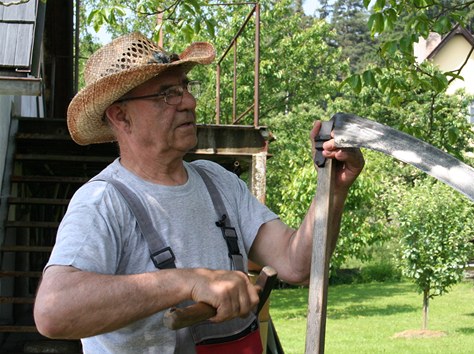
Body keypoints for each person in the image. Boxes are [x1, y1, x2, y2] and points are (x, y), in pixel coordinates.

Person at [33, 32, 364, 353]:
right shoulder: (103, 202)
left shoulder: (217, 182)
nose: (188, 102)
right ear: (121, 116)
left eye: (185, 88)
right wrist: (186, 282)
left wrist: (331, 190)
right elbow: (53, 311)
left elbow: (297, 265)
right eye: (166, 94)